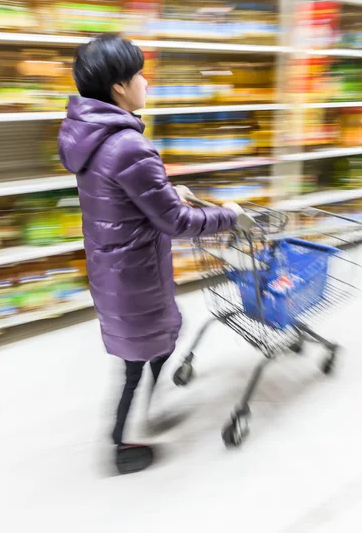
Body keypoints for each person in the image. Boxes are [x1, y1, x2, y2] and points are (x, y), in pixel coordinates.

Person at [58, 34, 242, 474]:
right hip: (137, 275)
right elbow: (176, 223)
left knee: (156, 341)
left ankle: (148, 410)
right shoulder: (129, 146)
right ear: (119, 87)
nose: (146, 81)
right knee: (136, 362)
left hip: (113, 269)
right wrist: (227, 216)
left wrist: (164, 194)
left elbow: (120, 201)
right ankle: (120, 445)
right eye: (139, 74)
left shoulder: (89, 137)